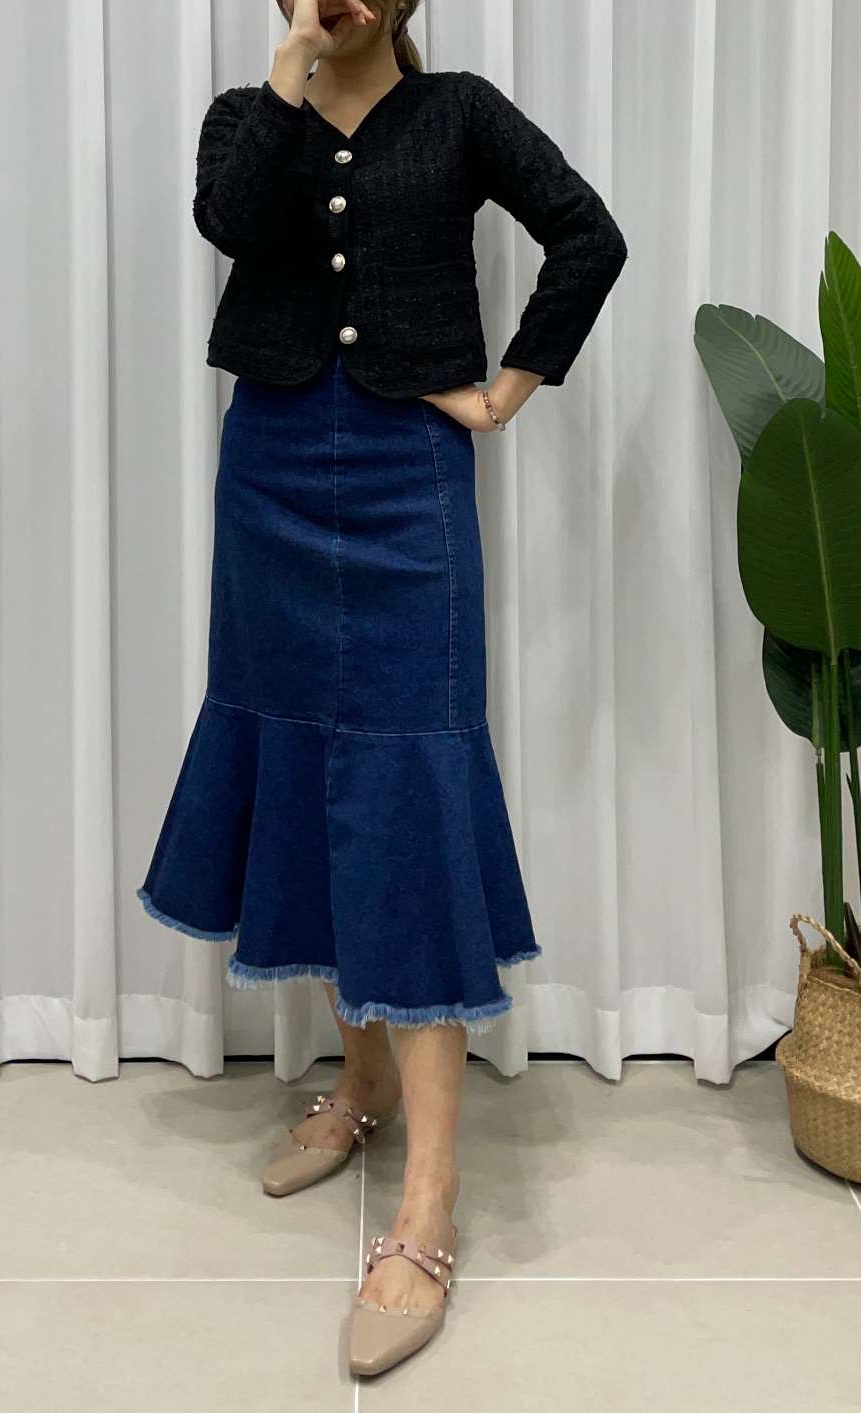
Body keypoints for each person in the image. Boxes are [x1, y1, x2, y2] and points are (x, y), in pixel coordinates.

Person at [137, 0, 627, 1377]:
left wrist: (511, 385)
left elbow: (588, 233)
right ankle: (359, 1084)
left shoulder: (459, 111)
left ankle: (430, 1202)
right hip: (273, 472)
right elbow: (231, 225)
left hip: (411, 477)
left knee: (405, 780)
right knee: (304, 764)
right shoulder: (250, 116)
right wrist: (291, 70)